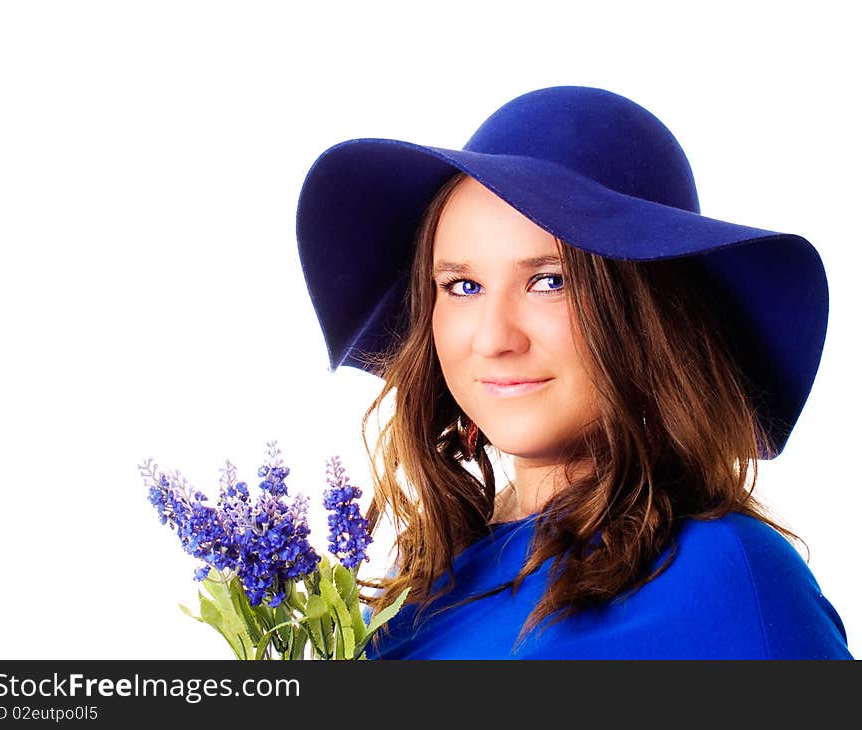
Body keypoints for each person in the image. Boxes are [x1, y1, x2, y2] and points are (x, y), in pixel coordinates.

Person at [294, 85, 853, 659]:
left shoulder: (731, 576)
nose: (493, 338)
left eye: (550, 281)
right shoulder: (415, 593)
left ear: (649, 317)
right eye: (463, 286)